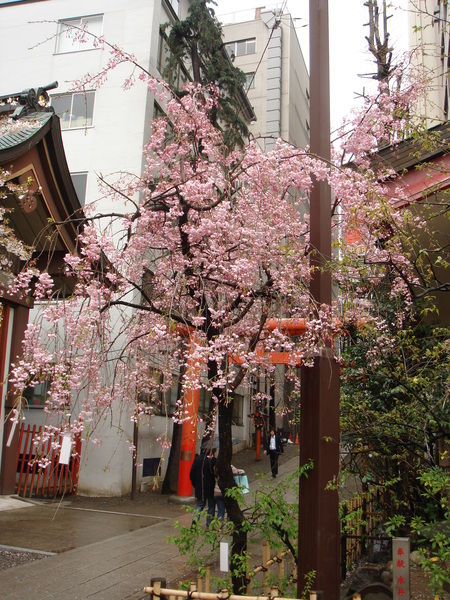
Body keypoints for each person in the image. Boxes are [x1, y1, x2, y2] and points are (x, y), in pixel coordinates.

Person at [189, 450, 216, 527]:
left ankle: (195, 521)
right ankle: (209, 524)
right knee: (211, 506)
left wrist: (195, 484)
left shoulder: (197, 459)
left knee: (199, 505)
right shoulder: (213, 460)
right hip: (211, 487)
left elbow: (192, 473)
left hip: (200, 486)